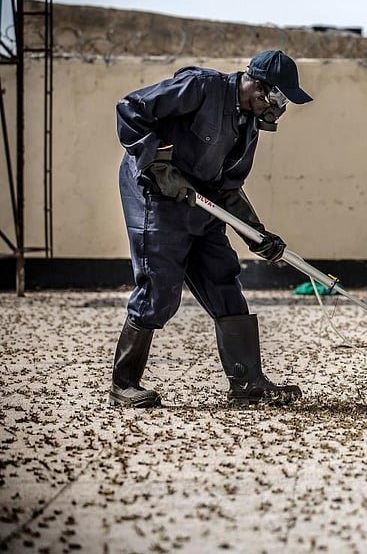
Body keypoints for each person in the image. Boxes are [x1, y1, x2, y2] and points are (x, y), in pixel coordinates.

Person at [110, 50, 313, 408]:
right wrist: (158, 164)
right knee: (160, 287)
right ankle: (124, 384)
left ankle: (248, 384)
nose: (278, 108)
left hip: (199, 201)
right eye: (278, 97)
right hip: (153, 193)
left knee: (223, 278)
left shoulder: (249, 124)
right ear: (258, 85)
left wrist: (256, 233)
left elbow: (228, 186)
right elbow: (131, 109)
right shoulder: (201, 87)